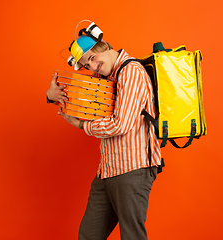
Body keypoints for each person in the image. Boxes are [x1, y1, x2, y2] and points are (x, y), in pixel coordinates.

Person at [46, 25, 162, 240]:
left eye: (92, 58)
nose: (92, 66)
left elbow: (120, 125)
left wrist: (82, 126)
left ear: (105, 45)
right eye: (86, 64)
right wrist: (51, 96)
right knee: (89, 236)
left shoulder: (131, 73)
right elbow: (80, 102)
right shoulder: (109, 77)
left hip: (132, 168)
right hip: (108, 170)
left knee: (131, 236)